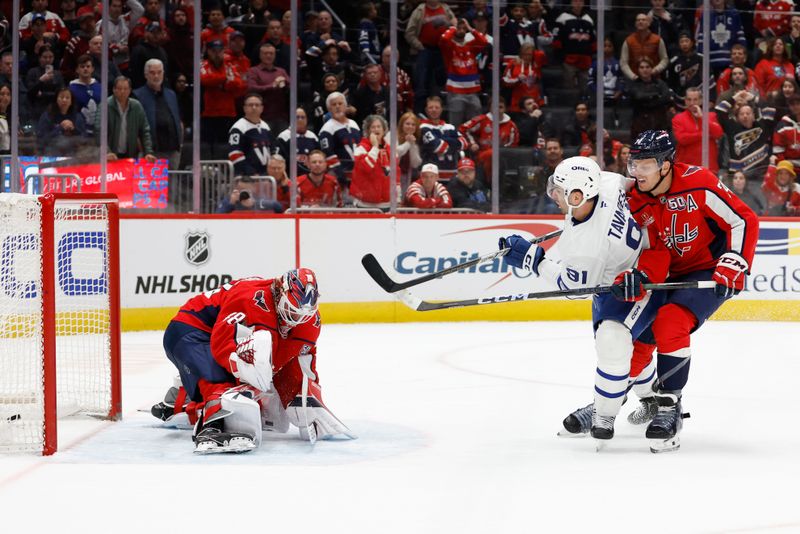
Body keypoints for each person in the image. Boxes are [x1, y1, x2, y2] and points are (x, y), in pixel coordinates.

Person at [498, 156, 663, 443]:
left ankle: (603, 415)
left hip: (630, 286)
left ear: (577, 195)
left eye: (559, 191)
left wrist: (533, 260)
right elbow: (634, 192)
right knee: (632, 349)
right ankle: (651, 397)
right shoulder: (608, 182)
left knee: (613, 346)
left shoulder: (584, 249)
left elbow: (575, 288)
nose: (553, 195)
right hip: (633, 271)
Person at [624, 130, 759, 451]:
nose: (636, 172)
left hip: (710, 271)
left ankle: (669, 406)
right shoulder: (635, 198)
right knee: (639, 333)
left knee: (671, 321)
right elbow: (629, 245)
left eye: (645, 165)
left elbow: (743, 219)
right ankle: (606, 401)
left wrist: (736, 259)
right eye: (634, 164)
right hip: (664, 272)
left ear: (666, 165)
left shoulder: (700, 182)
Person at [151, 270, 354, 453]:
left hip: (217, 339)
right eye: (291, 310)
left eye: (302, 314)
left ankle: (183, 397)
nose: (295, 319)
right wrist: (243, 373)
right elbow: (222, 341)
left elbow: (294, 364)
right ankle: (211, 424)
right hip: (191, 331)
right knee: (221, 383)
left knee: (256, 398)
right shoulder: (251, 298)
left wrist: (304, 398)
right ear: (279, 293)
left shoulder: (309, 322)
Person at [405, 0, 456, 112]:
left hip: (443, 50)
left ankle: (439, 110)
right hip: (425, 49)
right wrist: (419, 46)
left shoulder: (446, 9)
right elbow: (409, 33)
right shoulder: (419, 10)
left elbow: (455, 26)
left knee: (442, 82)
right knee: (421, 82)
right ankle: (419, 112)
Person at [134, 58, 183, 170]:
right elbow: (134, 127)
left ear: (163, 73)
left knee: (173, 185)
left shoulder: (171, 94)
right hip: (151, 153)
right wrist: (143, 150)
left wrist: (180, 145)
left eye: (159, 72)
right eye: (152, 73)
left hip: (173, 151)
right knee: (151, 186)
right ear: (146, 74)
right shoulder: (137, 95)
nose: (156, 76)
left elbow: (178, 120)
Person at [201, 39, 247, 158]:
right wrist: (225, 80)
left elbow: (239, 84)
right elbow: (205, 79)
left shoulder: (229, 66)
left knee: (228, 146)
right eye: (213, 51)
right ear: (208, 52)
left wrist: (218, 82)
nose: (217, 53)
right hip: (210, 114)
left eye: (220, 50)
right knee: (208, 147)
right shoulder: (203, 65)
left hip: (228, 113)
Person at [439, 17, 488, 127]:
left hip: (473, 92)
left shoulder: (471, 46)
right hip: (455, 91)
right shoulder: (449, 48)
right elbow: (444, 39)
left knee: (475, 124)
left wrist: (471, 28)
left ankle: (473, 143)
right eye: (458, 28)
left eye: (463, 28)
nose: (460, 31)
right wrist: (453, 27)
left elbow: (484, 41)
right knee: (455, 125)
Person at [96, 76, 155, 162]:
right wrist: (107, 152)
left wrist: (148, 152)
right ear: (114, 90)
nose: (122, 92)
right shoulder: (105, 106)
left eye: (125, 89)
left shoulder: (136, 106)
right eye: (119, 89)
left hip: (131, 155)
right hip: (110, 156)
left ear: (130, 90)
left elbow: (145, 131)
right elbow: (99, 131)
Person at [459, 97, 520, 178]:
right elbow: (463, 129)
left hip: (503, 156)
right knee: (491, 154)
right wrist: (472, 144)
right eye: (495, 107)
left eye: (500, 107)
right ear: (490, 108)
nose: (497, 109)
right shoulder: (481, 120)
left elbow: (514, 144)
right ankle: (489, 183)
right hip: (482, 154)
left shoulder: (511, 125)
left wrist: (504, 151)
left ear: (505, 109)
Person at [672, 87, 724, 172]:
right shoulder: (678, 118)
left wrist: (702, 117)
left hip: (709, 167)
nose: (692, 103)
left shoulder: (711, 116)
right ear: (685, 101)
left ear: (700, 100)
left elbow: (718, 133)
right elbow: (682, 139)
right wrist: (705, 135)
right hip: (687, 168)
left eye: (695, 100)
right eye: (689, 99)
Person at [351, 114, 398, 206]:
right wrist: (375, 147)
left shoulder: (390, 149)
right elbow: (366, 167)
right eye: (373, 127)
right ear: (368, 131)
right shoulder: (360, 148)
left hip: (386, 203)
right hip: (365, 203)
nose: (376, 129)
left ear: (384, 130)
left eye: (379, 127)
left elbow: (396, 174)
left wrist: (397, 197)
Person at [551, 0, 595, 94]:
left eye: (581, 1)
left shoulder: (588, 19)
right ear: (571, 3)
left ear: (584, 3)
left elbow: (593, 41)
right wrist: (562, 57)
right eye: (575, 1)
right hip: (569, 60)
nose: (578, 3)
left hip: (585, 60)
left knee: (585, 88)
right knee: (569, 88)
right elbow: (556, 40)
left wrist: (591, 56)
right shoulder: (562, 18)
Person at [419, 95, 466, 182]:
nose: (434, 110)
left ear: (441, 109)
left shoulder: (450, 127)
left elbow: (464, 143)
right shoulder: (422, 127)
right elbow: (439, 147)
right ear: (426, 110)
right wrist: (453, 142)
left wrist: (442, 139)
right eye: (431, 107)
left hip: (453, 175)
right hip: (432, 176)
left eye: (437, 107)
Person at [319, 91, 362, 185]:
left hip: (358, 176)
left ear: (345, 106)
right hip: (340, 178)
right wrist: (340, 176)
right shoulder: (326, 129)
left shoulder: (354, 124)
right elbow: (329, 155)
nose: (337, 106)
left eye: (340, 103)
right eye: (334, 104)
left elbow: (361, 147)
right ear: (329, 109)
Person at [695, 0, 746, 77]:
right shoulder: (706, 15)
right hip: (711, 62)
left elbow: (740, 37)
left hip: (730, 61)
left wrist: (742, 55)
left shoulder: (734, 14)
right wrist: (701, 58)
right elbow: (701, 38)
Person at [247, 42, 290, 132]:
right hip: (261, 117)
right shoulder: (254, 71)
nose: (268, 56)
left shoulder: (281, 71)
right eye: (265, 53)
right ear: (260, 55)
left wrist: (285, 82)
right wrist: (272, 86)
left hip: (281, 116)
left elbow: (291, 87)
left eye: (271, 53)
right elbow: (252, 88)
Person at [627, 57, 673, 139]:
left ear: (652, 68)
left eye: (647, 67)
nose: (645, 70)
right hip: (640, 124)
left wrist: (647, 99)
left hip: (659, 123)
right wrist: (656, 95)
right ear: (637, 70)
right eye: (642, 67)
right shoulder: (633, 84)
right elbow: (638, 96)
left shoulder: (660, 83)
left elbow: (666, 97)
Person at [228, 93, 273, 177]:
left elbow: (272, 150)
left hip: (266, 176)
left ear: (262, 108)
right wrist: (251, 173)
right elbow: (234, 154)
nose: (254, 107)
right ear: (244, 108)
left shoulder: (266, 127)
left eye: (257, 105)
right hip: (246, 177)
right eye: (250, 105)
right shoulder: (238, 128)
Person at [36, 86, 88, 157]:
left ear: (71, 101)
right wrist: (59, 128)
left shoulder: (78, 117)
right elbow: (42, 139)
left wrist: (73, 129)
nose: (64, 100)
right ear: (56, 99)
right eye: (61, 97)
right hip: (51, 153)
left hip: (73, 154)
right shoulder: (47, 116)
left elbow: (84, 139)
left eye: (67, 98)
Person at [619, 12, 669, 81]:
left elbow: (664, 59)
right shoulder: (628, 41)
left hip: (653, 79)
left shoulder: (657, 40)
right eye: (638, 20)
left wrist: (655, 70)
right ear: (635, 24)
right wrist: (632, 76)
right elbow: (623, 63)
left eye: (643, 20)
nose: (640, 22)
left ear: (648, 23)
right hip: (634, 80)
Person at [276, 107, 320, 177]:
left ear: (306, 119)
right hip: (291, 179)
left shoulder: (313, 137)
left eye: (303, 117)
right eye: (297, 117)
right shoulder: (283, 137)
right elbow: (278, 161)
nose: (300, 120)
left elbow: (319, 158)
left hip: (311, 179)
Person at [502, 42, 547, 111]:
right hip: (517, 101)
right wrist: (517, 79)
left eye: (529, 55)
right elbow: (505, 80)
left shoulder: (536, 64)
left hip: (533, 101)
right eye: (524, 54)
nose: (527, 57)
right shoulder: (513, 63)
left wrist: (534, 53)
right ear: (520, 54)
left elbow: (542, 54)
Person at [68, 55, 102, 136]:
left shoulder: (100, 87)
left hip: (99, 131)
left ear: (92, 69)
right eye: (82, 67)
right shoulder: (71, 89)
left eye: (88, 66)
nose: (85, 69)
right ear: (77, 69)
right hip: (79, 132)